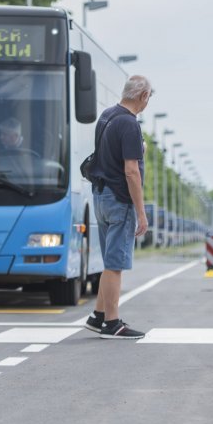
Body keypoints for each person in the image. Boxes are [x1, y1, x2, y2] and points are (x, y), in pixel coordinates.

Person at [84, 75, 153, 339]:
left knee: (109, 260)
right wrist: (141, 211)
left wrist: (140, 148)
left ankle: (98, 316)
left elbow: (110, 153)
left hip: (100, 196)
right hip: (119, 200)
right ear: (143, 97)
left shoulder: (107, 116)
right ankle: (112, 324)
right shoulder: (130, 123)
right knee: (115, 264)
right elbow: (131, 171)